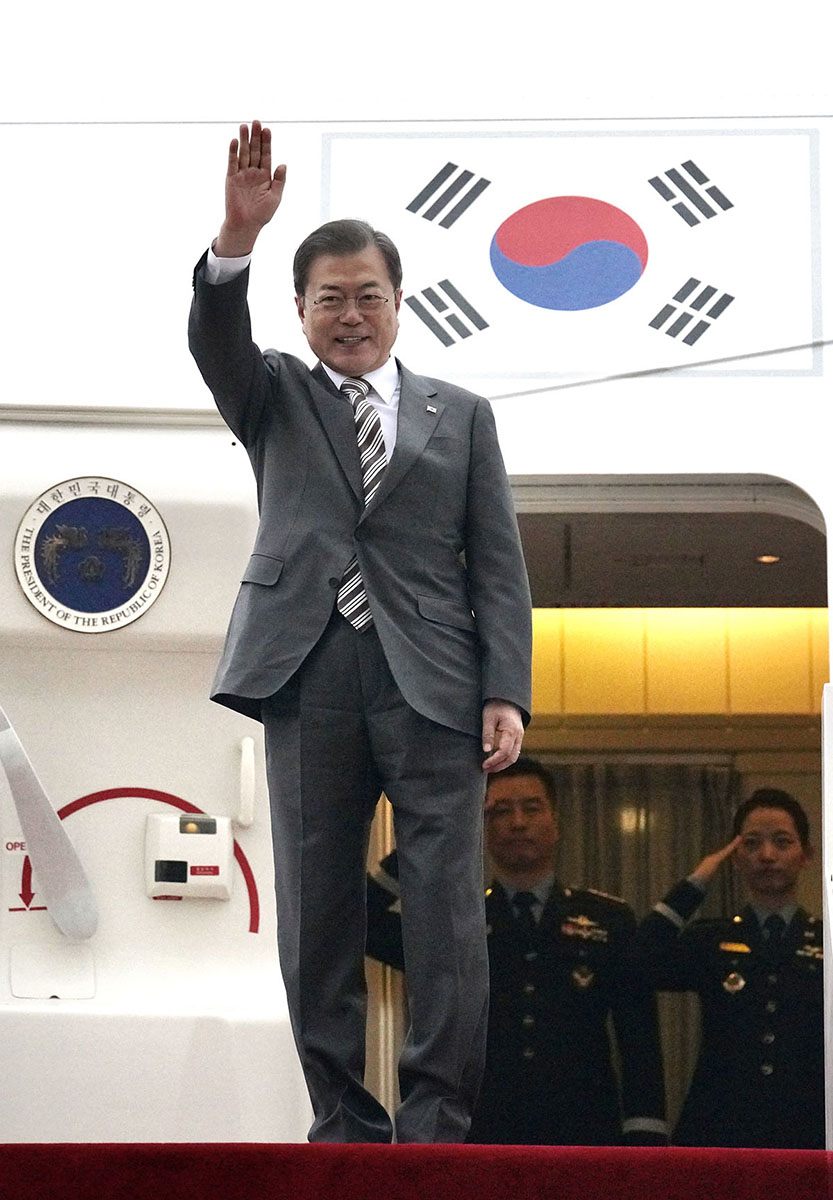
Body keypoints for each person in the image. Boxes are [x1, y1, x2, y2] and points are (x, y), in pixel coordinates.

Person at [188, 122, 532, 1144]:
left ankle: (434, 1117)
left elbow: (496, 564)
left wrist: (504, 690)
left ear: (398, 301)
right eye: (328, 299)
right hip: (309, 670)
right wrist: (236, 241)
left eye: (367, 296)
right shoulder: (272, 395)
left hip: (435, 679)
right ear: (299, 311)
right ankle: (341, 1116)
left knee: (445, 909)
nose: (349, 316)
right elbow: (214, 339)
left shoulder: (459, 414)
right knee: (316, 907)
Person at [367, 756, 669, 1145]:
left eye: (532, 808)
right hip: (482, 1127)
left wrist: (646, 1137)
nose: (518, 822)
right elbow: (364, 923)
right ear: (481, 825)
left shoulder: (609, 919)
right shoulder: (457, 921)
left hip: (584, 1128)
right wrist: (433, 834)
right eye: (501, 811)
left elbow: (639, 1039)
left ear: (556, 822)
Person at [637, 788, 823, 1148]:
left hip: (808, 1127)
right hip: (720, 1126)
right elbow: (640, 961)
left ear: (806, 855)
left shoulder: (825, 941)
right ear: (735, 857)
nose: (767, 855)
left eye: (782, 842)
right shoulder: (712, 938)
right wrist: (696, 883)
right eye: (751, 844)